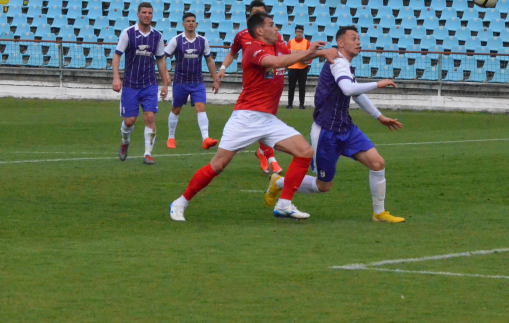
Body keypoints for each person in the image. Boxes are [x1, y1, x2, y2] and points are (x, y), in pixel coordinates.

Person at [169, 13, 336, 222]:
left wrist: (320, 53)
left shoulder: (279, 46)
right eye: (271, 25)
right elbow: (278, 62)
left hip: (267, 119)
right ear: (260, 31)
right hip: (246, 118)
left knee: (304, 152)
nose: (276, 29)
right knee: (218, 165)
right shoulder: (253, 50)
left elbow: (291, 54)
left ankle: (284, 204)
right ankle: (180, 202)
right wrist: (310, 53)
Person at [264, 25, 405, 223]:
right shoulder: (337, 62)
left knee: (377, 163)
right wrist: (377, 83)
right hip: (327, 132)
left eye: (359, 38)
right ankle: (280, 182)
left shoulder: (344, 63)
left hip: (346, 128)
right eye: (354, 38)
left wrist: (379, 117)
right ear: (340, 43)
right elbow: (348, 89)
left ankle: (379, 213)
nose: (358, 42)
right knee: (324, 186)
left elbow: (355, 93)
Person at [216, 0, 285, 175]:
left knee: (267, 118)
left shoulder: (274, 37)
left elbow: (283, 55)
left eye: (261, 13)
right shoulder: (242, 35)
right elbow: (232, 53)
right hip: (253, 84)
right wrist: (223, 68)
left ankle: (263, 153)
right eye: (255, 13)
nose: (258, 16)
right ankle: (271, 158)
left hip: (270, 83)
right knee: (261, 116)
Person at [111, 2, 171, 165]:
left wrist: (165, 83)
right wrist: (116, 78)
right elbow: (117, 56)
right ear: (138, 14)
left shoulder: (157, 36)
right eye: (144, 12)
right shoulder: (128, 33)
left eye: (150, 13)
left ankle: (147, 154)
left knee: (150, 117)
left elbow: (160, 60)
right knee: (129, 121)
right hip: (130, 84)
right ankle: (125, 142)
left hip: (149, 84)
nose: (147, 15)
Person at [164, 12, 221, 150]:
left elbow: (209, 60)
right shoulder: (176, 40)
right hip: (180, 81)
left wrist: (215, 79)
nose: (190, 23)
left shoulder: (203, 41)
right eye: (188, 21)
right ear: (183, 24)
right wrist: (165, 73)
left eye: (193, 21)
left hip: (197, 82)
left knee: (200, 107)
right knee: (176, 109)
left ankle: (205, 139)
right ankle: (171, 138)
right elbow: (162, 57)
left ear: (196, 24)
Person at [286, 25, 310, 110]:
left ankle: (302, 105)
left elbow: (310, 55)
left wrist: (307, 61)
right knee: (291, 86)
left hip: (303, 68)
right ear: (295, 32)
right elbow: (287, 54)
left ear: (303, 33)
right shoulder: (290, 42)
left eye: (301, 32)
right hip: (292, 67)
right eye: (298, 32)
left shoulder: (306, 42)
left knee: (302, 87)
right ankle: (289, 104)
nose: (299, 33)